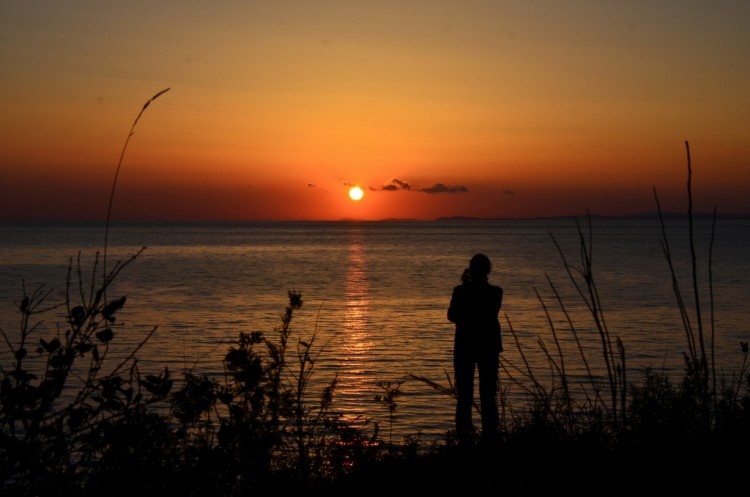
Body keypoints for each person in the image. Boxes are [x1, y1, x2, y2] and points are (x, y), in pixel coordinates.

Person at [447, 253, 503, 446]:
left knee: (465, 395)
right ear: (488, 270)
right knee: (487, 394)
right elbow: (486, 314)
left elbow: (452, 315)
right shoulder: (495, 292)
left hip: (466, 345)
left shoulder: (461, 291)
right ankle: (489, 438)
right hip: (487, 346)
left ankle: (465, 438)